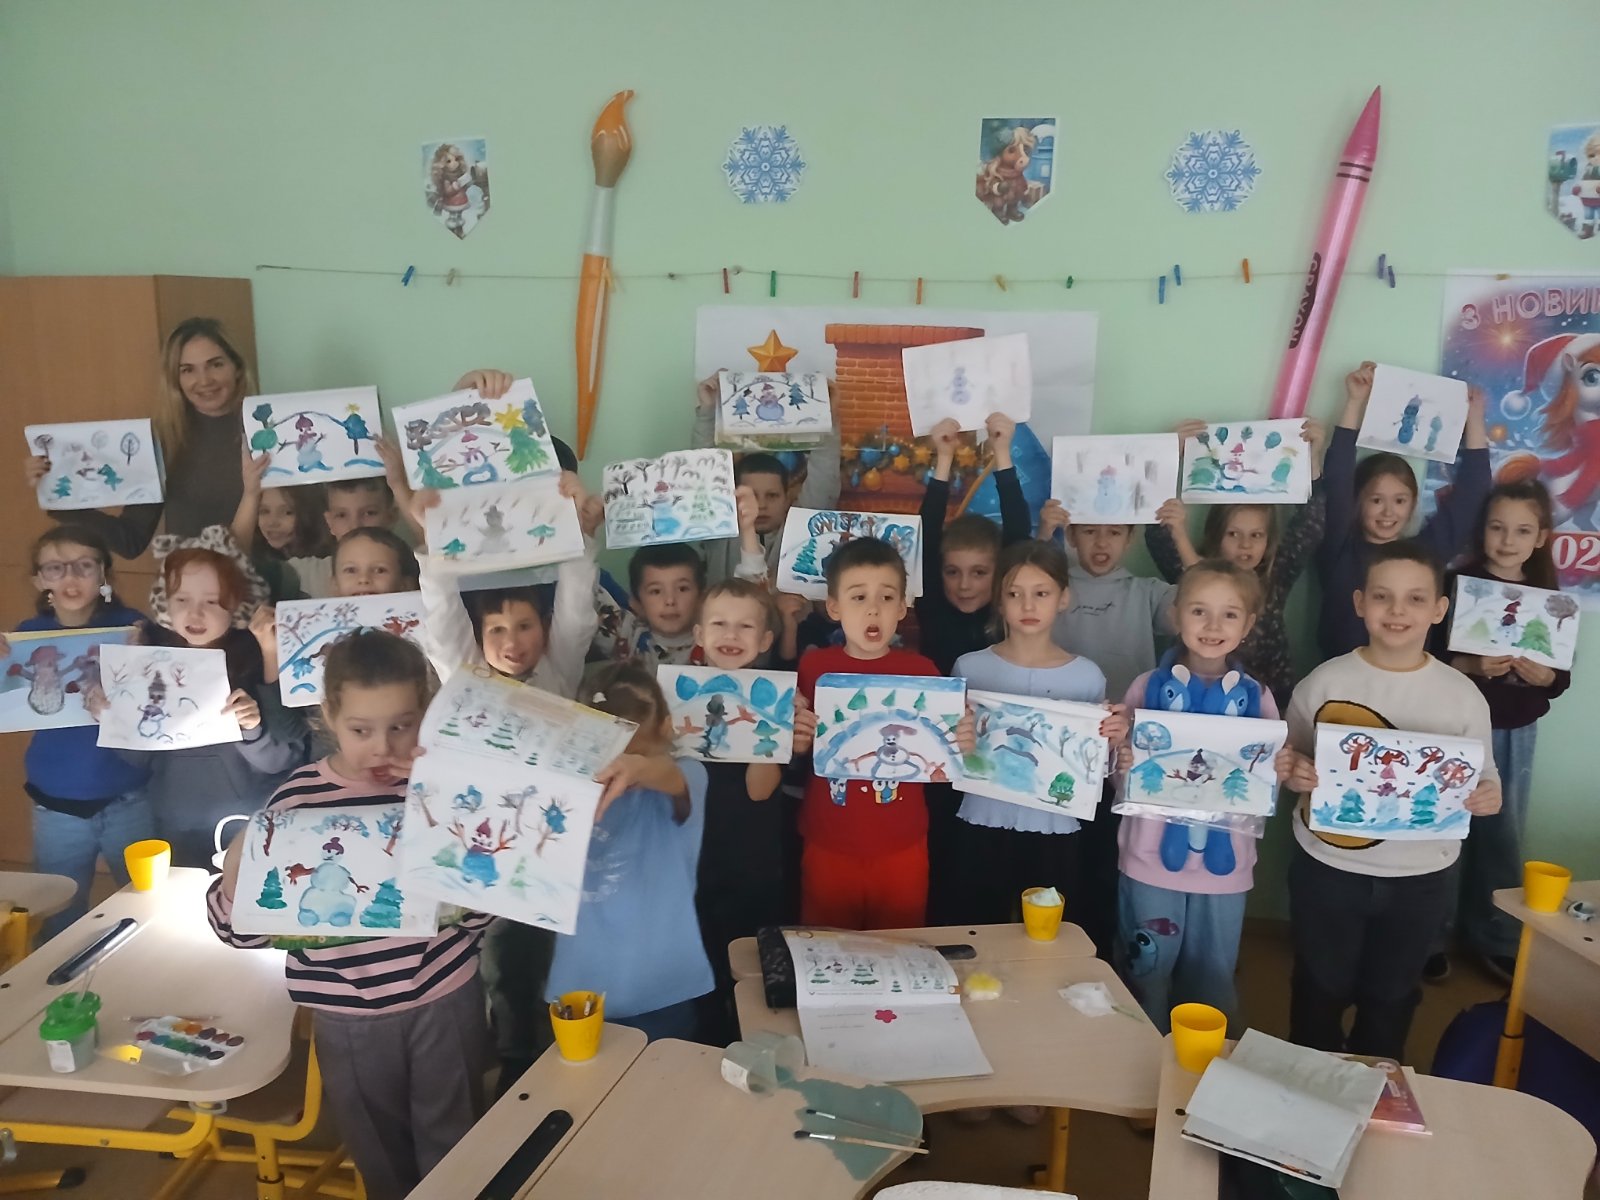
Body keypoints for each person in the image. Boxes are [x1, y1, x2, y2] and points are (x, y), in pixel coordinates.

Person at [207, 631, 492, 1200]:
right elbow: (237, 931)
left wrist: (462, 842)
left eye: (402, 726)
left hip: (444, 997)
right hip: (348, 1014)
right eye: (362, 730)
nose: (383, 746)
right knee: (379, 1152)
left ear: (425, 715)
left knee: (459, 1146)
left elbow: (480, 916)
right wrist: (241, 858)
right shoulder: (295, 802)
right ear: (329, 716)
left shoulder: (443, 792)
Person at [409, 474, 601, 1089]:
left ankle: (531, 1060)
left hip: (546, 852)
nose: (513, 642)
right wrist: (433, 542)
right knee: (485, 965)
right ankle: (500, 1061)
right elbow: (442, 619)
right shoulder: (467, 676)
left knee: (533, 963)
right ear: (480, 637)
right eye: (497, 630)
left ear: (543, 630)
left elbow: (576, 611)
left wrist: (580, 537)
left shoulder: (557, 672)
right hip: (478, 852)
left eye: (524, 627)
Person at [1283, 540, 1502, 1061]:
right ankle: (1305, 1082)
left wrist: (1487, 796)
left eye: (1415, 598)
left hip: (1421, 878)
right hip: (1328, 868)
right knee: (1319, 987)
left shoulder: (1462, 695)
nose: (1397, 610)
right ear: (1360, 603)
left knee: (1392, 996)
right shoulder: (1326, 682)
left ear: (1439, 609)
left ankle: (1375, 1082)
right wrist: (1294, 772)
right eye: (1383, 596)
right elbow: (1289, 757)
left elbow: (1484, 775)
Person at [1113, 560, 1292, 1032]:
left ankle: (1204, 1062)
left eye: (1229, 614)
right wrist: (1122, 761)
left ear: (1248, 625)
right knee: (1146, 966)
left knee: (1212, 976)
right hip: (1149, 857)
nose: (1213, 626)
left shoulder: (1258, 697)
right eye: (1199, 611)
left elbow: (1264, 782)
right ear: (1176, 615)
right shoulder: (1146, 688)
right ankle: (1141, 1051)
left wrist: (1277, 769)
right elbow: (1120, 777)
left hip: (1225, 865)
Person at [87, 543, 308, 868]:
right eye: (182, 600)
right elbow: (138, 759)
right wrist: (112, 717)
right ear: (166, 603)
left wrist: (251, 729)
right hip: (172, 821)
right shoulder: (150, 659)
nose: (195, 614)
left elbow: (283, 760)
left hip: (245, 823)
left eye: (212, 601)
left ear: (236, 604)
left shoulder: (259, 657)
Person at [795, 537, 976, 929]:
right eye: (859, 597)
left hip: (903, 844)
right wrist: (797, 738)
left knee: (900, 946)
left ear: (903, 607)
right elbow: (799, 748)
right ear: (834, 607)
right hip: (828, 842)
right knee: (827, 947)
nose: (873, 609)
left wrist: (963, 741)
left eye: (887, 597)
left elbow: (950, 753)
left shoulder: (924, 673)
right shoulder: (812, 669)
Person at [1433, 480, 1571, 980]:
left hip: (1514, 730)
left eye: (1522, 531)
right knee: (1442, 828)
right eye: (1497, 528)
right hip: (1453, 727)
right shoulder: (1458, 584)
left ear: (1540, 537)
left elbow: (1561, 679)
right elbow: (1431, 657)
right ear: (1482, 530)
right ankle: (1432, 936)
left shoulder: (1551, 599)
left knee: (1500, 834)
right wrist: (1471, 664)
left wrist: (1545, 676)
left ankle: (1493, 936)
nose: (1508, 540)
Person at [951, 540, 1128, 927]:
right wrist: (955, 739)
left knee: (1046, 934)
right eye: (1014, 594)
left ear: (1063, 598)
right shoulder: (969, 667)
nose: (1027, 605)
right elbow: (947, 752)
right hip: (982, 818)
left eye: (1041, 593)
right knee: (977, 927)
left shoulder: (1086, 675)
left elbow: (1094, 765)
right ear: (999, 601)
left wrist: (1112, 738)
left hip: (1055, 824)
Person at [546, 662, 711, 1042]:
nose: (617, 773)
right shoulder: (566, 786)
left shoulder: (687, 777)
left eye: (633, 752)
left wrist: (639, 768)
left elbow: (673, 776)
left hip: (660, 989)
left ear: (667, 729)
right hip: (578, 986)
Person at [8, 527, 152, 938]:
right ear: (39, 579)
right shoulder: (25, 635)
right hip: (56, 803)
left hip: (130, 795)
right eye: (55, 567)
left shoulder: (133, 628)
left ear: (104, 574)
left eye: (84, 565)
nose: (70, 577)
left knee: (146, 904)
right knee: (58, 915)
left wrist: (148, 653)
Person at [689, 578, 817, 1042]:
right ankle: (707, 1043)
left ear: (765, 640)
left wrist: (774, 729)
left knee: (752, 968)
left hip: (753, 863)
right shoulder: (678, 697)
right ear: (699, 635)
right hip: (692, 864)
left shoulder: (776, 700)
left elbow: (760, 792)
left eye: (745, 626)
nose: (731, 634)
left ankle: (754, 1044)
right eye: (719, 623)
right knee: (702, 970)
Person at [917, 414, 1031, 923]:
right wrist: (943, 459)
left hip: (996, 757)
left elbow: (1020, 537)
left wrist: (1002, 454)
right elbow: (925, 537)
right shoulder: (934, 610)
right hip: (938, 755)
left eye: (980, 573)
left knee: (988, 860)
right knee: (942, 856)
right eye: (953, 572)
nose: (964, 585)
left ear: (1001, 576)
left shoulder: (1005, 615)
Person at [27, 318, 254, 557]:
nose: (205, 380)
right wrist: (58, 498)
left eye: (216, 365)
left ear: (237, 367)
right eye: (188, 370)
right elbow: (131, 540)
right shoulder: (162, 442)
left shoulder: (269, 431)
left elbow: (285, 536)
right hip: (185, 579)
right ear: (175, 379)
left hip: (264, 577)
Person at [1315, 361, 1491, 661]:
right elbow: (1338, 478)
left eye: (1399, 500)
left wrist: (1474, 419)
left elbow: (1472, 494)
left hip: (1409, 677)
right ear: (1358, 502)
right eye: (1376, 500)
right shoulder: (1340, 546)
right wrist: (1354, 402)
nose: (1388, 512)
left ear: (1412, 503)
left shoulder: (1426, 553)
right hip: (1343, 674)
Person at [1145, 418, 1327, 708]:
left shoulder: (1275, 574)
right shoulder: (1192, 574)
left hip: (1266, 701)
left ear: (1268, 540)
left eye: (1256, 535)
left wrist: (1312, 460)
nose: (1245, 544)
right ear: (1216, 536)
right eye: (1233, 534)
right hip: (1187, 699)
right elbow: (1158, 531)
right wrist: (1169, 458)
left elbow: (1311, 524)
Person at [692, 370, 842, 586]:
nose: (761, 505)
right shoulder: (718, 534)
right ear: (733, 499)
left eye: (772, 496)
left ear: (787, 499)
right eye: (751, 496)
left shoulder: (802, 531)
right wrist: (707, 410)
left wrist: (829, 418)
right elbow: (703, 473)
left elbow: (824, 478)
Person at [591, 543, 708, 667]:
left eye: (682, 589)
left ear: (702, 598)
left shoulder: (714, 640)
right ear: (636, 603)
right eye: (656, 591)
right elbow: (585, 581)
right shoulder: (627, 634)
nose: (670, 600)